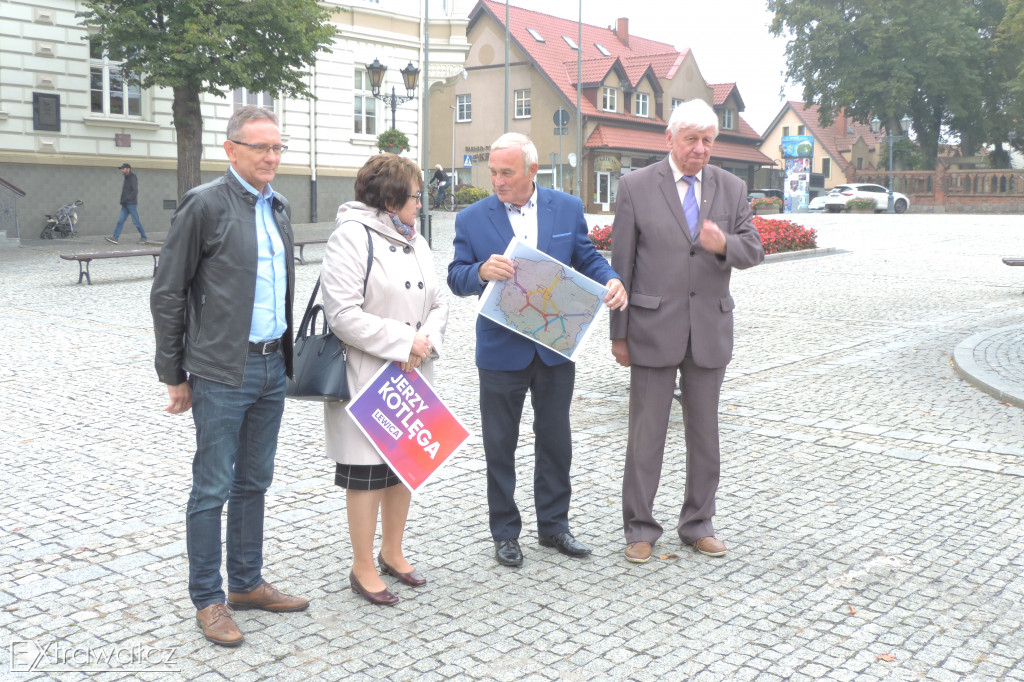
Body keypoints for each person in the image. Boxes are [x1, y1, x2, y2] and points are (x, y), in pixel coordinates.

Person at [150, 105, 307, 647]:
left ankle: (245, 583)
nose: (271, 157)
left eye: (277, 147)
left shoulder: (278, 206)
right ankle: (209, 599)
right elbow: (169, 291)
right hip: (221, 369)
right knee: (212, 487)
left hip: (271, 366)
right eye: (260, 147)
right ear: (231, 150)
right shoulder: (204, 205)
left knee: (254, 481)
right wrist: (174, 373)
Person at [447, 132, 628, 567]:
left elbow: (587, 257)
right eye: (492, 171)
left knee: (555, 440)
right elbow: (455, 276)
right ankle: (505, 533)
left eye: (506, 172)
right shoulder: (471, 218)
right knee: (500, 445)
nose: (496, 180)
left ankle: (555, 527)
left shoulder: (565, 207)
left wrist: (611, 279)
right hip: (500, 349)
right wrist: (479, 271)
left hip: (554, 346)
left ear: (532, 170)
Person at [609, 99, 765, 564]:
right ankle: (640, 528)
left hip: (709, 329)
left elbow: (753, 249)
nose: (700, 149)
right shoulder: (635, 186)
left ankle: (698, 523)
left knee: (705, 435)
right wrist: (619, 335)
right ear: (670, 140)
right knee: (646, 435)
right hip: (652, 327)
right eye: (692, 139)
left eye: (708, 141)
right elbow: (622, 265)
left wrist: (726, 246)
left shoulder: (732, 187)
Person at [321, 153, 448, 606]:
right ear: (392, 200)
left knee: (403, 468)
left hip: (414, 372)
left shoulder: (417, 239)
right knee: (367, 474)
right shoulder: (350, 237)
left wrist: (425, 340)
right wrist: (403, 342)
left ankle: (392, 551)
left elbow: (439, 300)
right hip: (367, 375)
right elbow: (342, 314)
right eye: (416, 195)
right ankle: (362, 565)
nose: (422, 203)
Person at [105, 163, 149, 244]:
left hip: (131, 204)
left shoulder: (132, 177)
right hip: (125, 204)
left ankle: (144, 237)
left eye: (123, 169)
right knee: (120, 221)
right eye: (121, 169)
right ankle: (115, 237)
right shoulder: (126, 178)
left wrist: (127, 199)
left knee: (136, 221)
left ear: (128, 169)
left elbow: (135, 191)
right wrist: (123, 200)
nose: (122, 170)